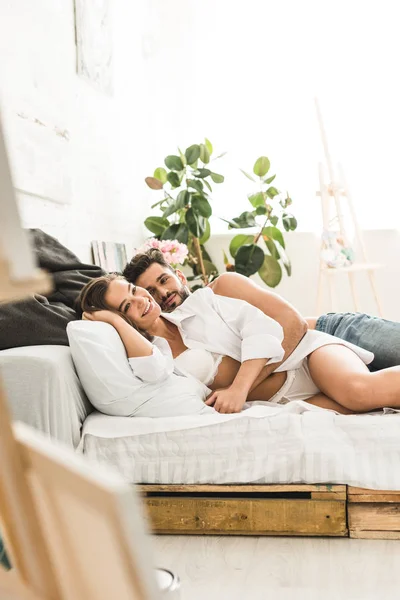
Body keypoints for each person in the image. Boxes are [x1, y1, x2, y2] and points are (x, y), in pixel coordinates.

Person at [79, 273, 400, 416]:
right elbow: (150, 370)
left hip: (306, 359)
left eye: (133, 289)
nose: (142, 299)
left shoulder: (202, 303)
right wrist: (114, 322)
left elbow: (262, 327)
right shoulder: (157, 356)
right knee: (360, 411)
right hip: (285, 401)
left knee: (358, 392)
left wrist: (239, 388)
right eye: (127, 306)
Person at [123, 249, 400, 372]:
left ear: (181, 276)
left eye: (164, 280)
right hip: (323, 373)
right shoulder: (178, 340)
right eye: (152, 292)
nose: (163, 294)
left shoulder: (222, 287)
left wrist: (246, 385)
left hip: (336, 333)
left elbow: (293, 324)